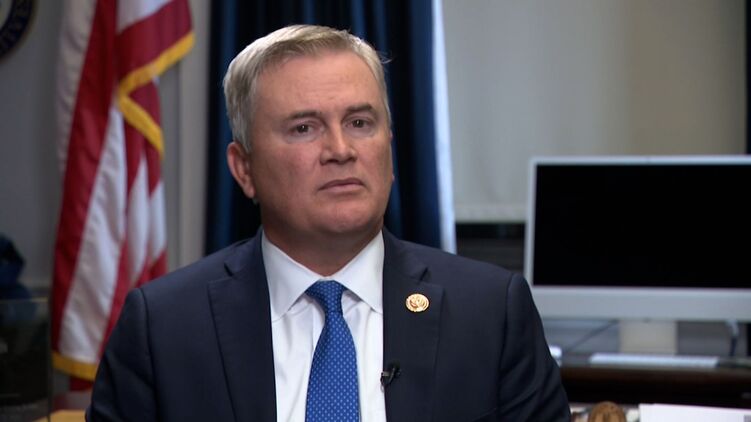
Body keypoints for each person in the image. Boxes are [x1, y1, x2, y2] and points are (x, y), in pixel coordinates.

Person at [87, 24, 569, 421]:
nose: (341, 150)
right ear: (244, 169)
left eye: (360, 123)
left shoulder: (490, 313)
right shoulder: (163, 328)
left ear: (389, 150)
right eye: (304, 128)